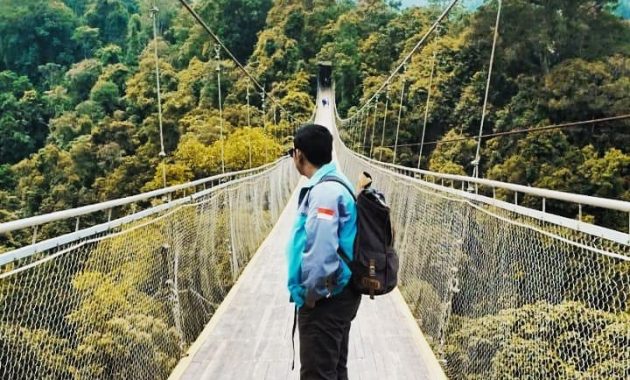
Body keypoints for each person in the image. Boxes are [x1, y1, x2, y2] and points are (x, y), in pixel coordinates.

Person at [286, 124, 362, 380]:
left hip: (326, 301)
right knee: (334, 370)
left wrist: (312, 297)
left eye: (292, 153)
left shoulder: (325, 192)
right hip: (340, 295)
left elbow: (320, 253)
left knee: (318, 374)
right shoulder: (336, 183)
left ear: (299, 154)